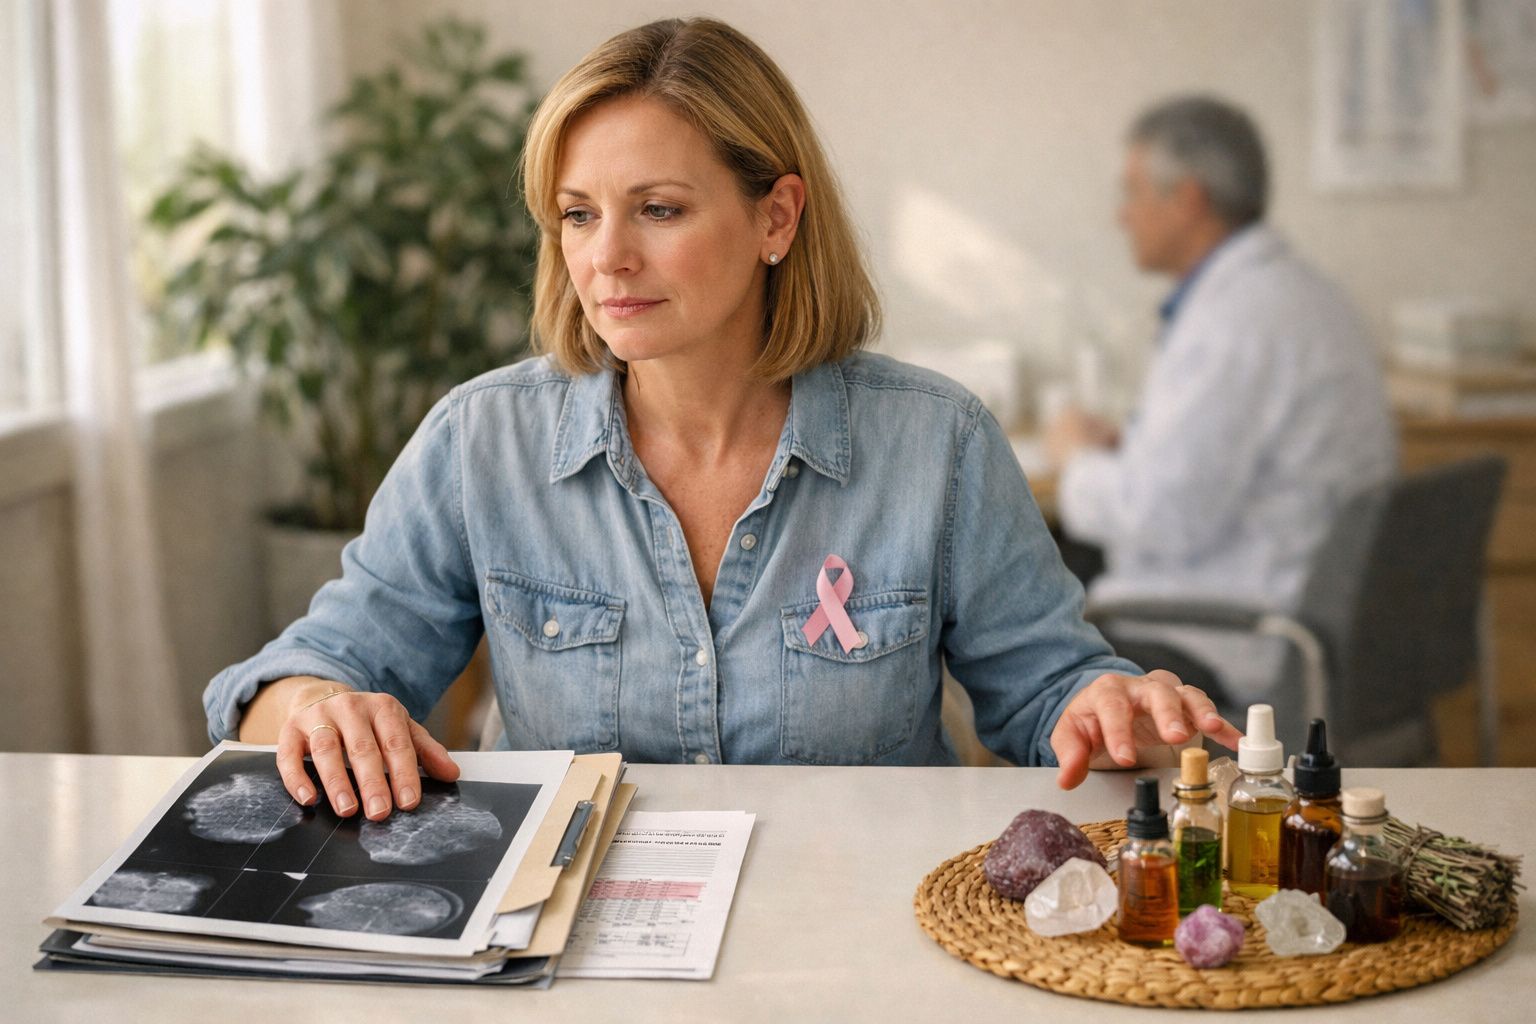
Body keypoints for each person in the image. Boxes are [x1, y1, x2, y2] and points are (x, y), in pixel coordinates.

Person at [205, 19, 1241, 822]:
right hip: (570, 962)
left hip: (865, 944)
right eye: (578, 213)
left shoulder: (940, 444)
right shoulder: (481, 441)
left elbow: (1047, 687)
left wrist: (1105, 706)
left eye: (658, 209)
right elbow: (295, 679)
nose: (607, 256)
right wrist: (315, 708)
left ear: (776, 217)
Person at [1045, 95, 1397, 709]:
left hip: (1232, 634)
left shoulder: (1239, 321)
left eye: (1132, 192)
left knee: (1002, 643)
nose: (1121, 215)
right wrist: (1133, 448)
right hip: (1288, 602)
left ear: (1187, 199)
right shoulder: (1292, 294)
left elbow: (1163, 518)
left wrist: (1073, 458)